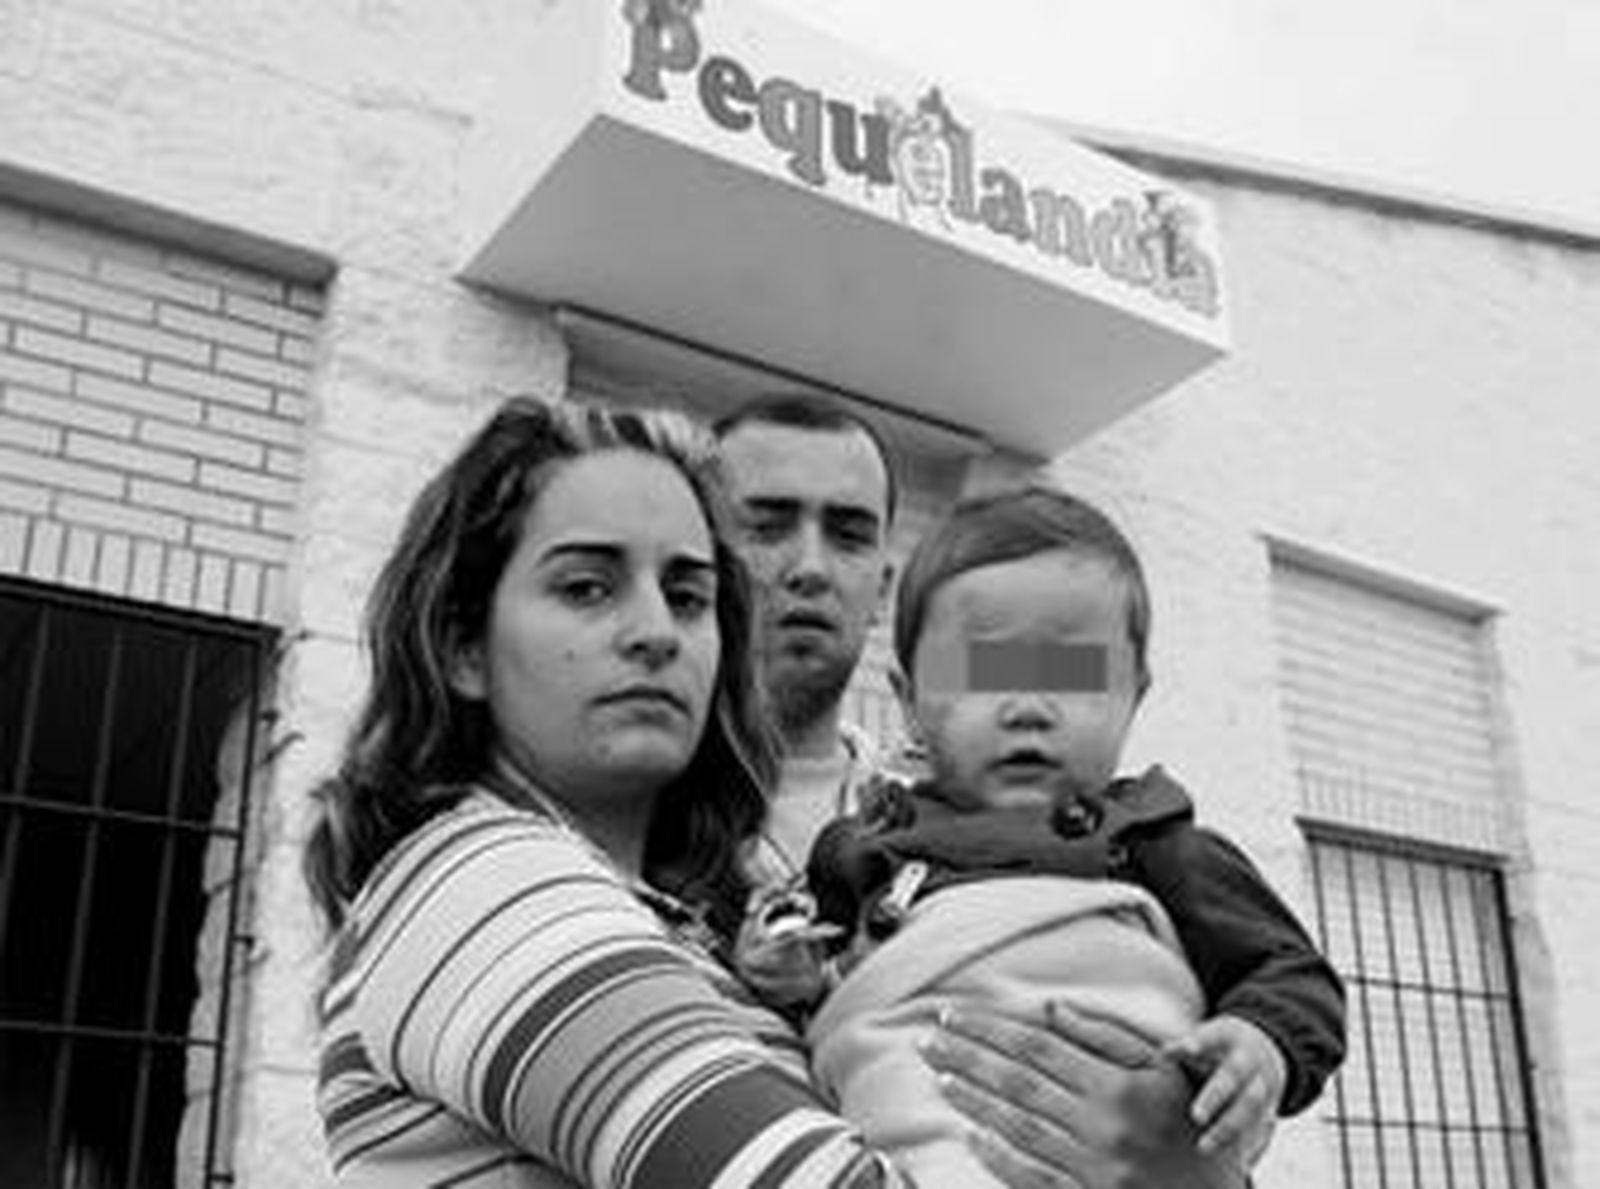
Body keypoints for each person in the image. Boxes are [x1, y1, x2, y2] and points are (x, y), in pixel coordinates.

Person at [301, 396, 1238, 1188]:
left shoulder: (697, 910)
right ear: (464, 645)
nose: (655, 632)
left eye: (690, 594)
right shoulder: (479, 880)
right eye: (586, 587)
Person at [748, 485, 1346, 1186]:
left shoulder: (1158, 844)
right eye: (981, 671)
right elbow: (816, 991)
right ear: (909, 703)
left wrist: (1261, 1043)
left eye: (1073, 673)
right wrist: (784, 972)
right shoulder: (859, 847)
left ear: (1135, 695)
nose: (1028, 705)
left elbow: (1293, 976)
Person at [713, 395, 898, 889]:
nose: (811, 567)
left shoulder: (928, 823)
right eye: (767, 529)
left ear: (884, 589)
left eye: (849, 536)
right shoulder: (620, 807)